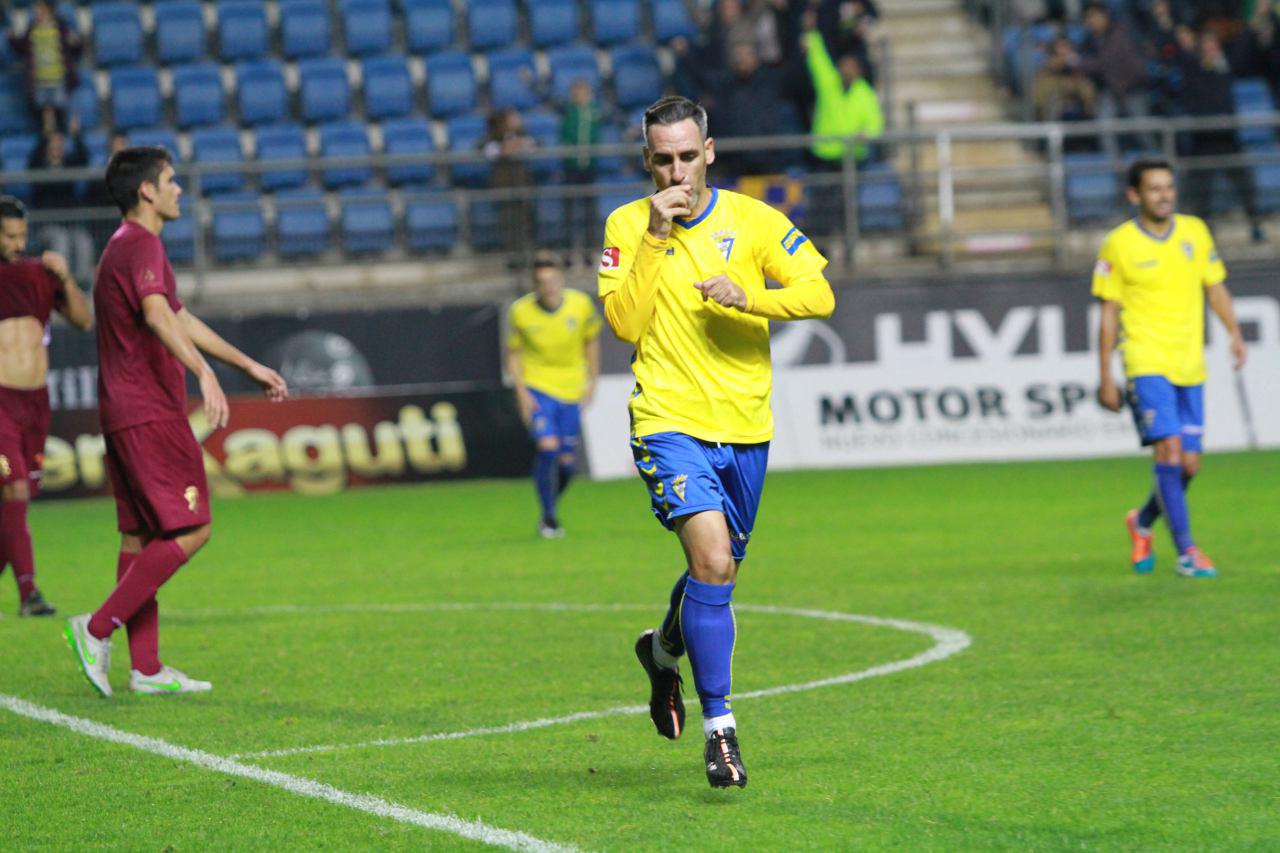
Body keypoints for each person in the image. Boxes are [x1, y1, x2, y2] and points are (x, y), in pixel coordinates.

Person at [599, 96, 835, 787]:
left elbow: (818, 292)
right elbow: (624, 322)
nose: (676, 171)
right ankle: (721, 729)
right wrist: (653, 236)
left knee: (718, 572)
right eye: (661, 158)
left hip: (746, 427)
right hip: (668, 420)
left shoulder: (753, 220)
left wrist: (748, 296)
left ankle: (664, 650)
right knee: (710, 559)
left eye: (685, 155)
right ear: (648, 159)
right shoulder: (625, 225)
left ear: (709, 150)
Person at [64, 147, 288, 697]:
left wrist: (246, 365)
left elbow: (179, 315)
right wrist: (202, 373)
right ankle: (94, 629)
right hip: (148, 411)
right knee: (193, 528)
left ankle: (146, 668)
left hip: (124, 411)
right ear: (147, 191)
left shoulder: (124, 249)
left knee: (141, 536)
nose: (178, 189)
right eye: (170, 180)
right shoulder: (140, 244)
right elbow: (159, 314)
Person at [1093, 158, 1247, 579]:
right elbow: (1109, 311)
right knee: (1171, 452)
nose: (1164, 195)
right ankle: (1187, 553)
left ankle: (1142, 522)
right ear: (1134, 195)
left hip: (1188, 362)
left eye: (1169, 187)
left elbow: (1214, 287)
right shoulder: (1119, 244)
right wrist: (1106, 375)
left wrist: (1234, 332)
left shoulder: (1195, 232)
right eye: (1154, 189)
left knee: (1189, 466)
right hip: (1145, 359)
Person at [0, 195, 92, 616]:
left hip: (35, 403)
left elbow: (83, 319)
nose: (17, 244)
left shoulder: (40, 274)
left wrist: (68, 278)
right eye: (9, 236)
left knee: (17, 501)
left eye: (21, 235)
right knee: (14, 488)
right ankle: (29, 594)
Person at [505, 251, 601, 538]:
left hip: (571, 389)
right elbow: (512, 355)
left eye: (552, 279)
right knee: (547, 448)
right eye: (541, 281)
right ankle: (549, 518)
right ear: (534, 283)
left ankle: (550, 506)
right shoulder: (520, 311)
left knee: (567, 464)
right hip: (538, 387)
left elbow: (592, 343)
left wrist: (592, 382)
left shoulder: (581, 306)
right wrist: (521, 393)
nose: (547, 286)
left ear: (560, 279)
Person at [1174, 29, 1266, 243]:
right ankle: (1202, 232)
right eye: (1206, 45)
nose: (1210, 50)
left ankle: (1255, 224)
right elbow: (1185, 71)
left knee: (1245, 184)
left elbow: (1243, 55)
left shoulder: (1225, 68)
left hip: (1227, 138)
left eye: (1213, 45)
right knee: (1199, 191)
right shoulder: (1194, 70)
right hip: (1203, 140)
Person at [6, 0, 83, 134]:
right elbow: (21, 48)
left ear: (48, 10)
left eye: (39, 8)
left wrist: (76, 43)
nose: (36, 11)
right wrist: (12, 39)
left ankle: (67, 139)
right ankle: (49, 140)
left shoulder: (62, 29)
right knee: (46, 117)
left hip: (59, 79)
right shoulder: (32, 29)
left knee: (63, 113)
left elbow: (75, 51)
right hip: (40, 80)